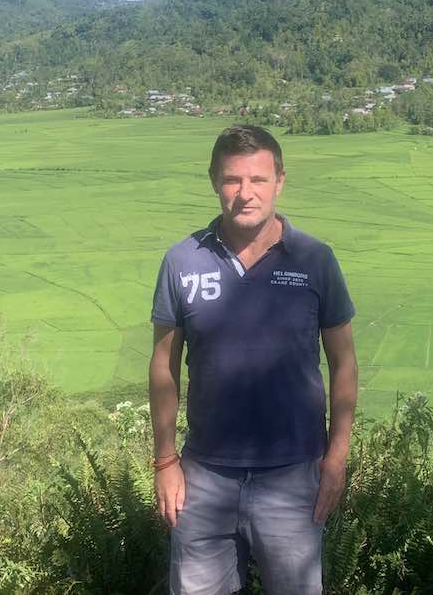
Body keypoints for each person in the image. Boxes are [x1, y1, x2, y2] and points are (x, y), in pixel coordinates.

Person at [148, 124, 358, 595]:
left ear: (279, 181)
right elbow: (163, 367)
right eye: (232, 180)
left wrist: (336, 459)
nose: (245, 193)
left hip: (294, 476)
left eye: (258, 180)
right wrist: (165, 462)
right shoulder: (182, 262)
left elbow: (344, 362)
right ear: (213, 181)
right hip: (202, 479)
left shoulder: (314, 260)